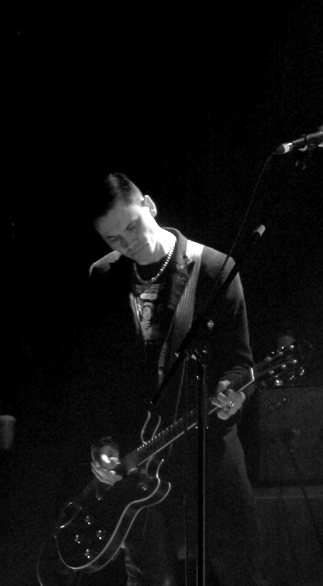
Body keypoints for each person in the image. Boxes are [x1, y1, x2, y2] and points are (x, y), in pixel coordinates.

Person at [81, 173, 268, 586]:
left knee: (240, 570)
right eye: (114, 239)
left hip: (207, 448)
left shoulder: (215, 268)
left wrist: (233, 391)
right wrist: (104, 441)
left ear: (149, 205)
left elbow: (241, 363)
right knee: (148, 577)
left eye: (132, 226)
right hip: (141, 458)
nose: (128, 243)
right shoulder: (103, 276)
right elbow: (99, 375)